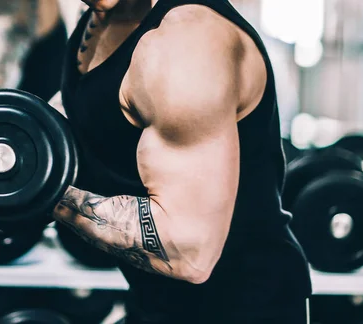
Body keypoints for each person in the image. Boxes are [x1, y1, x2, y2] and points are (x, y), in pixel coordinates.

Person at [48, 0, 313, 323]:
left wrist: (40, 191)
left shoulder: (189, 41)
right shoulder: (98, 17)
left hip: (242, 308)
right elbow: (91, 113)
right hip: (154, 301)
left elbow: (189, 253)